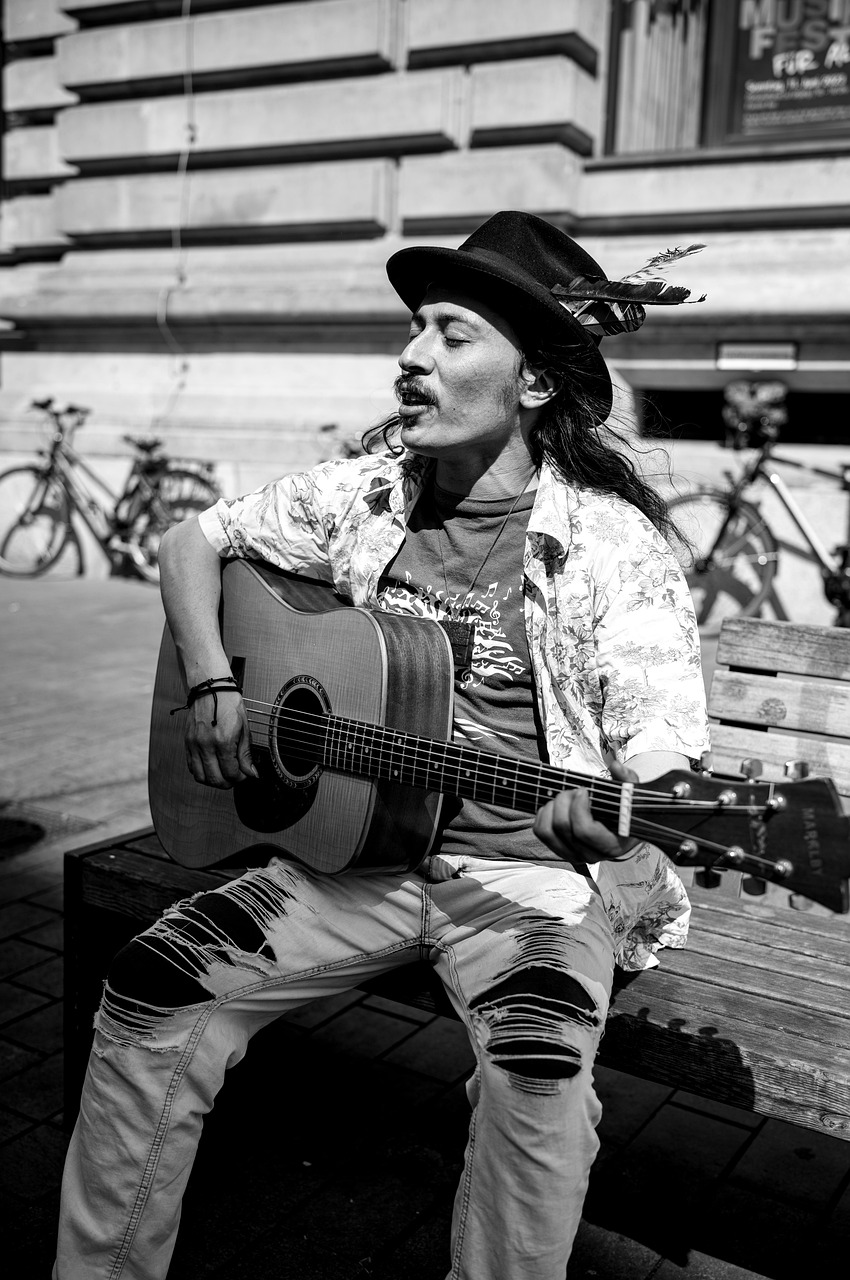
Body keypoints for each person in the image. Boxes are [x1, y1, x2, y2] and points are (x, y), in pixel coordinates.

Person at [55, 210, 710, 1279]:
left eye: (451, 335)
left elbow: (664, 757)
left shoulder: (608, 546)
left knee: (536, 1076)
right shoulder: (363, 494)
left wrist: (621, 809)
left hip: (527, 887)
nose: (409, 357)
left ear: (533, 383)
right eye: (415, 328)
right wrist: (216, 680)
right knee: (151, 985)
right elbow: (192, 540)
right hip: (352, 858)